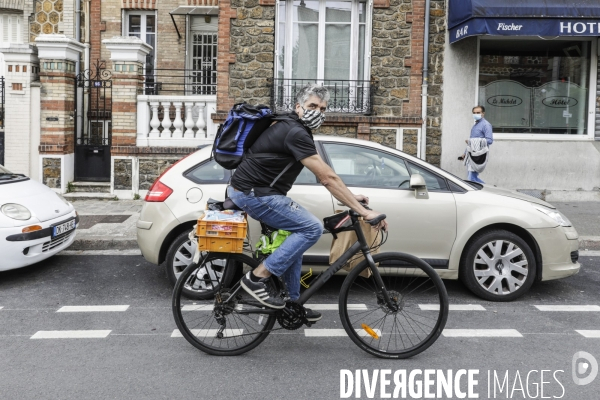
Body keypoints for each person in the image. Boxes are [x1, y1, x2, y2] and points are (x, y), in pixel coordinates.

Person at [227, 84, 388, 321]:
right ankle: (257, 278)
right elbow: (327, 178)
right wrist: (363, 211)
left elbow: (325, 172)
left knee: (298, 236)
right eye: (312, 106)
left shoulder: (294, 128)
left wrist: (352, 199)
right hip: (254, 193)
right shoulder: (295, 132)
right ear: (298, 107)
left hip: (257, 191)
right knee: (310, 228)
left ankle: (292, 304)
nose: (318, 112)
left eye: (322, 109)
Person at [459, 105, 493, 184]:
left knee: (472, 180)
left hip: (478, 156)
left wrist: (473, 142)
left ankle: (488, 191)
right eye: (474, 113)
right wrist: (464, 154)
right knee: (472, 179)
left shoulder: (486, 125)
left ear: (483, 113)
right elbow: (471, 142)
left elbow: (490, 140)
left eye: (478, 112)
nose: (476, 114)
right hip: (471, 155)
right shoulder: (475, 125)